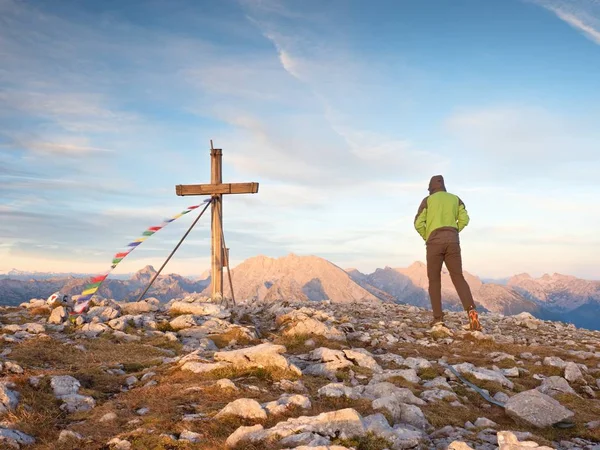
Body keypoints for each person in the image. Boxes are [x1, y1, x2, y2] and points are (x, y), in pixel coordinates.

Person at [414, 175, 482, 331]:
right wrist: (454, 231)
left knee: (434, 280)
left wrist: (428, 235)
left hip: (434, 243)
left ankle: (438, 319)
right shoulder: (455, 199)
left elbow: (418, 223)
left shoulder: (427, 201)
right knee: (458, 277)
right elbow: (465, 219)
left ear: (431, 187)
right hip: (453, 242)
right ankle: (472, 312)